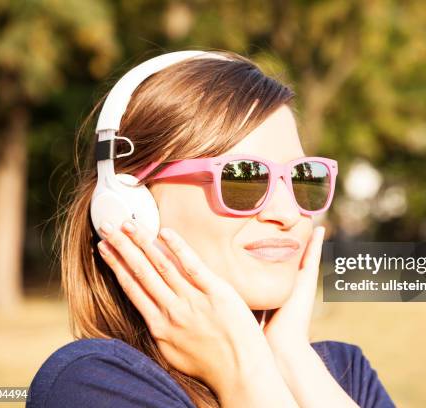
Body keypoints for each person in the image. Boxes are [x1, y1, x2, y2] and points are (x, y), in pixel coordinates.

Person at [27, 49, 394, 408]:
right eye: (243, 178)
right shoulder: (93, 385)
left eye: (302, 177)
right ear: (133, 209)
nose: (288, 213)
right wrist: (244, 375)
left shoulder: (346, 373)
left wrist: (293, 358)